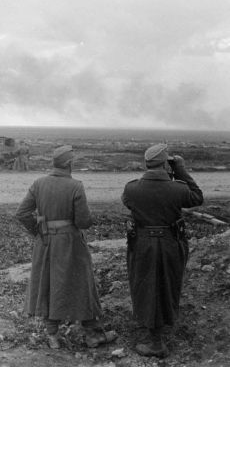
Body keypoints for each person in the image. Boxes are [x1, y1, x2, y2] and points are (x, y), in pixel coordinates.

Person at [15, 145, 116, 349]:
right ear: (69, 164)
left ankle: (52, 336)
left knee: (48, 284)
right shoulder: (76, 186)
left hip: (45, 243)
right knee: (82, 285)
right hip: (70, 243)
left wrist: (38, 230)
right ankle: (93, 334)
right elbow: (84, 222)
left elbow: (22, 213)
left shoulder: (38, 183)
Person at [122, 143, 203, 358]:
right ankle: (158, 338)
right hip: (170, 243)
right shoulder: (178, 189)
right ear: (166, 164)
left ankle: (153, 335)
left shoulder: (132, 188)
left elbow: (128, 203)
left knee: (145, 285)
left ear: (147, 163)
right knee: (168, 284)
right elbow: (197, 197)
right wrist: (180, 170)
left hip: (142, 245)